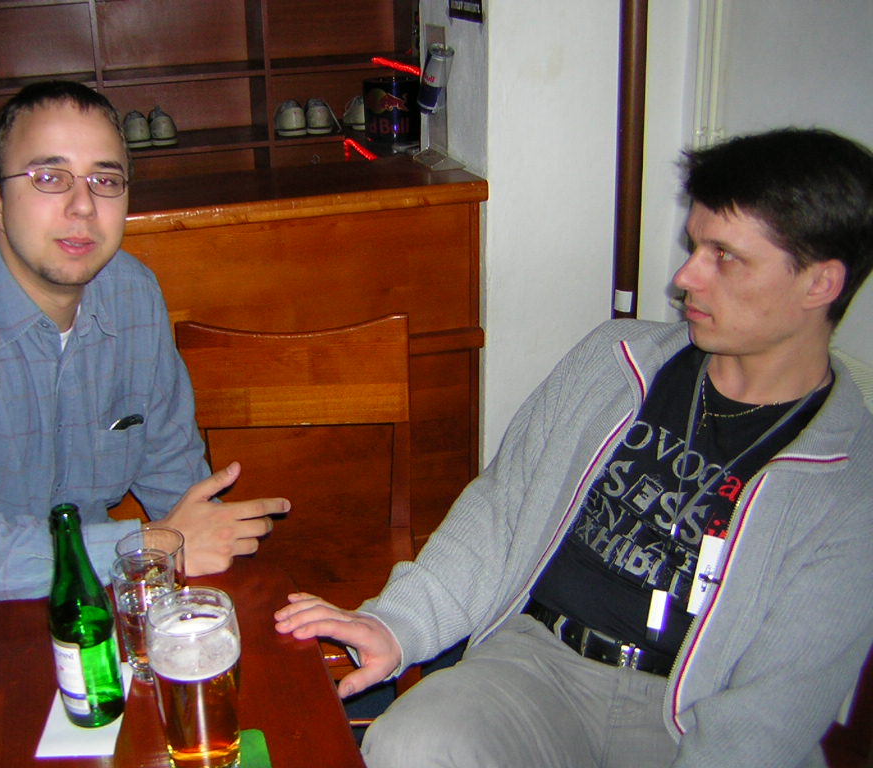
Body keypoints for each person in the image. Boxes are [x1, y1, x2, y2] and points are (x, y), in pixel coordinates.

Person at [275, 127, 873, 767]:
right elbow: (502, 509)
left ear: (819, 284)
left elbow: (773, 710)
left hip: (691, 715)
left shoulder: (852, 486)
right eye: (695, 245)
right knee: (409, 743)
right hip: (539, 663)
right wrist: (398, 623)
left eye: (724, 256)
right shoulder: (614, 361)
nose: (685, 277)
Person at [0, 81, 289, 610]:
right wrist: (152, 546)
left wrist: (210, 536)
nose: (83, 206)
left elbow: (170, 466)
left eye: (105, 180)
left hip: (94, 591)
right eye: (48, 177)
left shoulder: (132, 293)